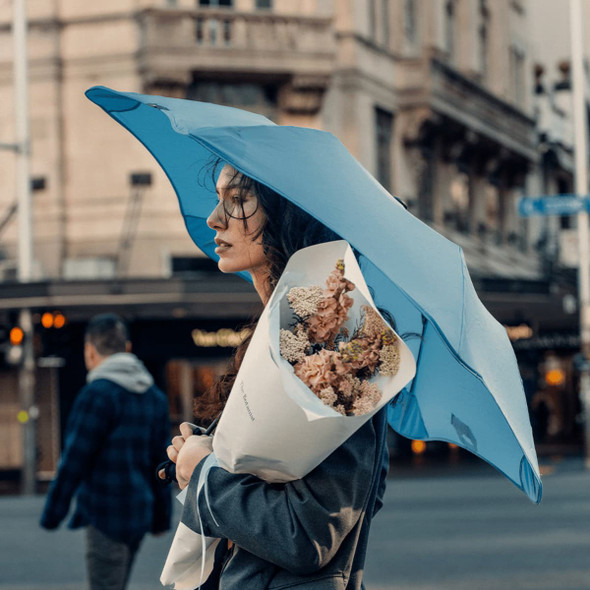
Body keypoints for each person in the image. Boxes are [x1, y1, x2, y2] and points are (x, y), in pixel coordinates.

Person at [164, 163, 390, 589]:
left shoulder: (339, 342)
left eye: (238, 201)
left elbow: (310, 534)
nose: (214, 218)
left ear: (288, 211)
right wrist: (220, 452)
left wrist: (207, 474)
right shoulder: (286, 331)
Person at [40, 313, 172, 590]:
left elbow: (75, 459)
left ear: (90, 351)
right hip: (140, 511)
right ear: (126, 348)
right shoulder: (154, 397)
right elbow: (160, 463)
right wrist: (161, 517)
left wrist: (53, 513)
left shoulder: (97, 395)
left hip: (105, 512)